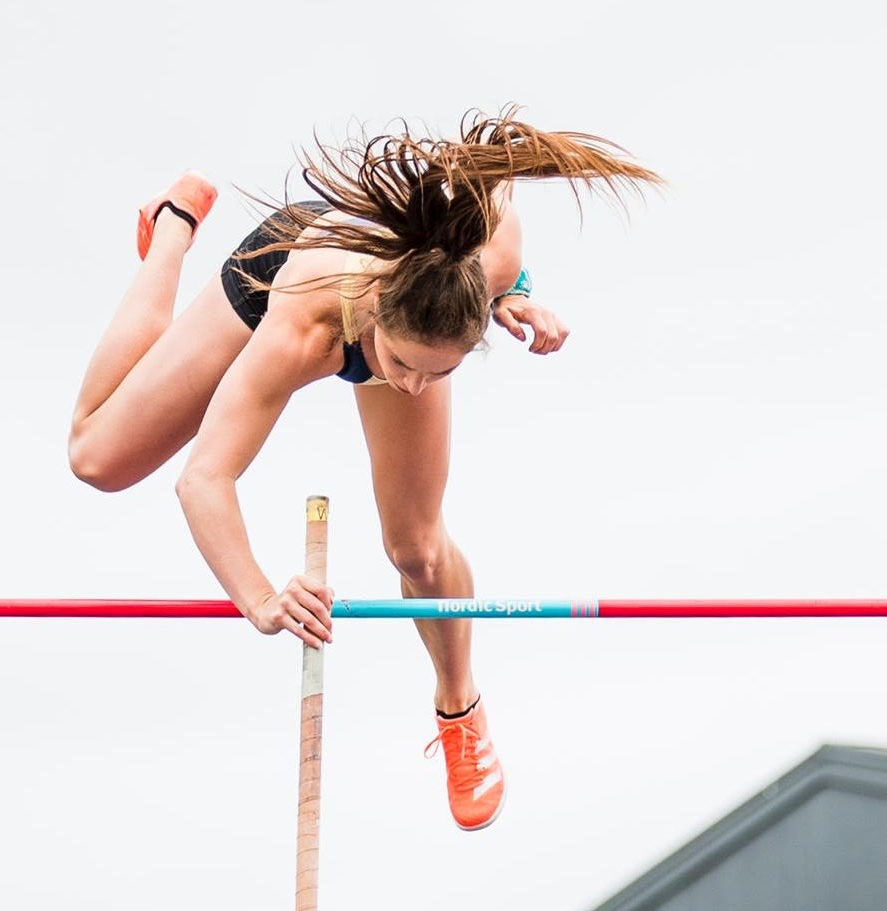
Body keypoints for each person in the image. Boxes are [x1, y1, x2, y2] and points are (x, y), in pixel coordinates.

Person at [68, 107, 660, 831]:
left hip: (425, 295)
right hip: (292, 268)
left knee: (415, 545)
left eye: (436, 372)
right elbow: (204, 479)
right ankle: (170, 225)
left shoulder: (482, 264)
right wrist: (256, 596)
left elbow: (495, 218)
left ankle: (460, 709)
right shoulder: (298, 327)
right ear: (379, 313)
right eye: (406, 366)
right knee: (97, 458)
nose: (414, 386)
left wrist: (515, 294)